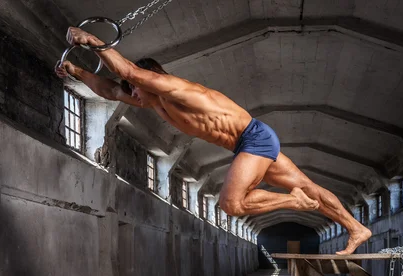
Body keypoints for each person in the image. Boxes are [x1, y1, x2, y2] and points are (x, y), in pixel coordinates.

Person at [55, 27, 371, 255]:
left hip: (253, 138)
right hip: (249, 143)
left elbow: (129, 72)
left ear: (153, 79)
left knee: (230, 203)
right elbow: (111, 90)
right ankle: (356, 229)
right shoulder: (154, 101)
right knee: (310, 185)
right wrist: (77, 71)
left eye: (135, 86)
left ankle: (295, 201)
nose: (131, 93)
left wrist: (93, 41)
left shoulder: (176, 89)